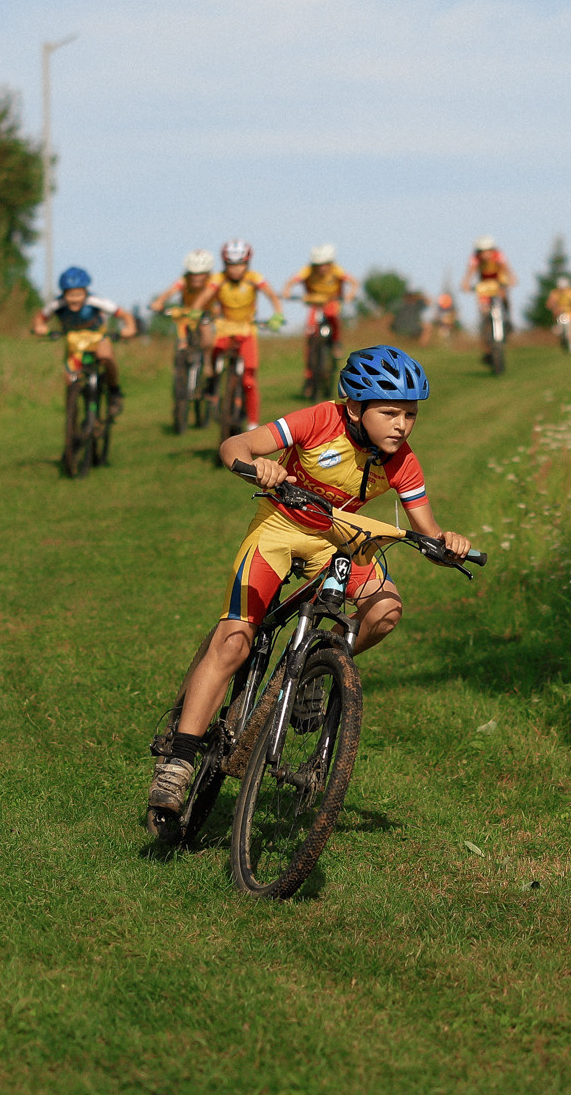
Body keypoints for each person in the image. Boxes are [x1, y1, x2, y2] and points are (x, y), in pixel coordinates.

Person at [145, 346, 472, 828]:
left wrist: (448, 543)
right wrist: (260, 467)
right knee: (235, 639)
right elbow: (236, 444)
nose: (402, 425)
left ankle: (311, 670)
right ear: (355, 406)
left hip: (339, 534)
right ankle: (179, 762)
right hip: (280, 523)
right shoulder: (320, 419)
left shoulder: (402, 460)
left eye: (410, 414)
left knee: (385, 610)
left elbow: (427, 528)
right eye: (390, 412)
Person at [187, 239, 283, 429]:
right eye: (231, 265)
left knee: (249, 377)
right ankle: (212, 387)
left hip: (247, 329)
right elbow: (205, 296)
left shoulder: (254, 278)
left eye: (240, 264)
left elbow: (271, 296)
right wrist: (195, 310)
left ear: (247, 263)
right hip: (225, 328)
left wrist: (277, 314)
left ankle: (253, 423)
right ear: (225, 264)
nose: (236, 269)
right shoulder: (218, 279)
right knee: (214, 358)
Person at [31, 266, 127, 416]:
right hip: (74, 342)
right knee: (70, 377)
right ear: (64, 294)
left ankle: (114, 391)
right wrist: (40, 328)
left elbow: (123, 314)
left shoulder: (95, 301)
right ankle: (73, 416)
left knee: (106, 357)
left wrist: (129, 328)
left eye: (79, 294)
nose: (75, 299)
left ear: (86, 292)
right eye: (70, 295)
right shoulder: (57, 304)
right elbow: (40, 318)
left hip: (97, 337)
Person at [282, 243, 356, 349]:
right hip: (315, 302)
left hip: (331, 300)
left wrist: (350, 294)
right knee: (310, 328)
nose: (322, 268)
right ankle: (310, 360)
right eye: (319, 265)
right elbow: (292, 281)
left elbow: (353, 282)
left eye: (325, 264)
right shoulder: (308, 270)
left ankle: (336, 344)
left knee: (333, 318)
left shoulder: (336, 270)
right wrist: (287, 291)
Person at [150, 250, 218, 351]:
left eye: (201, 274)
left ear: (208, 273)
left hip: (206, 314)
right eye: (193, 274)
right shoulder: (184, 280)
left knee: (207, 341)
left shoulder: (214, 281)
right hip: (187, 314)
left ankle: (208, 363)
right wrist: (158, 302)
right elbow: (170, 291)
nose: (196, 277)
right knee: (182, 334)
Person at [467, 235, 515, 362]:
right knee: (484, 312)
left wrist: (511, 279)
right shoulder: (475, 259)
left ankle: (507, 317)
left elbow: (506, 269)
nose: (485, 254)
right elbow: (470, 273)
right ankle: (488, 347)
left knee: (503, 294)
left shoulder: (498, 256)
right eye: (482, 251)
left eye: (487, 250)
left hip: (498, 280)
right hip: (484, 284)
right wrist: (466, 283)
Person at [545, 273, 571, 355]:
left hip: (569, 314)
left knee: (570, 332)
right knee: (562, 332)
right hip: (559, 316)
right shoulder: (554, 293)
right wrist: (555, 308)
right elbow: (549, 304)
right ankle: (566, 345)